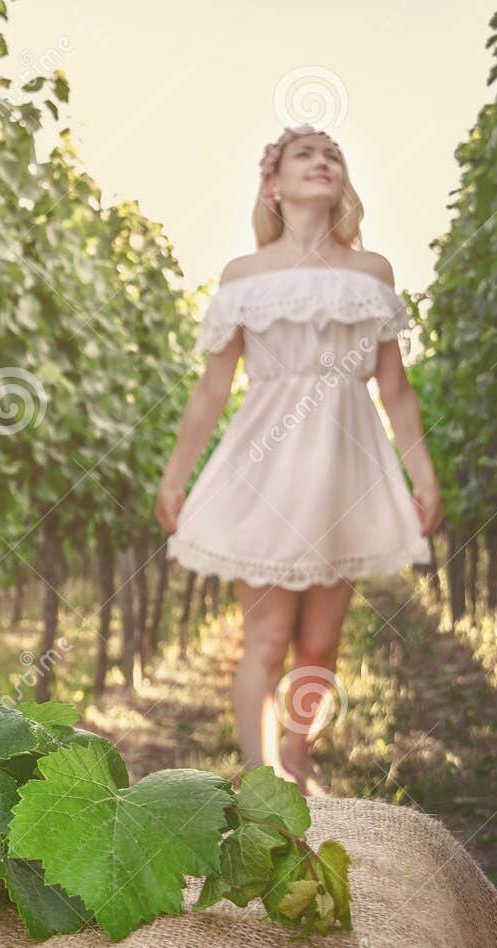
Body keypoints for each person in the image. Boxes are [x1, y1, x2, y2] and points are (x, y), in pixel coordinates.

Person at [155, 124, 442, 796]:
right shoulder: (244, 277)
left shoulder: (372, 273)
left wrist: (421, 475)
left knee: (319, 646)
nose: (322, 163)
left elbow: (395, 390)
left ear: (343, 182)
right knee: (266, 639)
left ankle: (298, 756)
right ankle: (262, 783)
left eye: (333, 155)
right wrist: (175, 477)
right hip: (265, 466)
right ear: (273, 186)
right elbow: (211, 391)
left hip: (345, 468)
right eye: (305, 156)